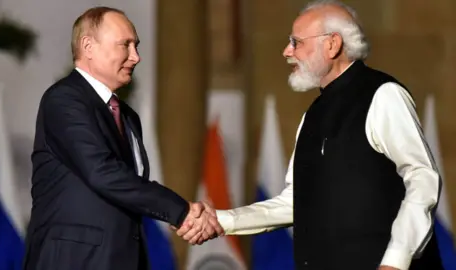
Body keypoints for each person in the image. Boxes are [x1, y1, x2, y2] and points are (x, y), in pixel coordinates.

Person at [176, 1, 444, 270]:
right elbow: (295, 201)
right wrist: (223, 221)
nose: (286, 52)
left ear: (332, 44)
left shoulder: (383, 95)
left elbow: (422, 178)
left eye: (296, 42)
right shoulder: (311, 115)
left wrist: (397, 259)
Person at [23, 7, 222, 270]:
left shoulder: (126, 115)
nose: (136, 57)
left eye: (136, 46)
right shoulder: (64, 100)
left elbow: (130, 185)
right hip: (74, 261)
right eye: (125, 45)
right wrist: (181, 211)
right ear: (88, 46)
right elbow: (103, 172)